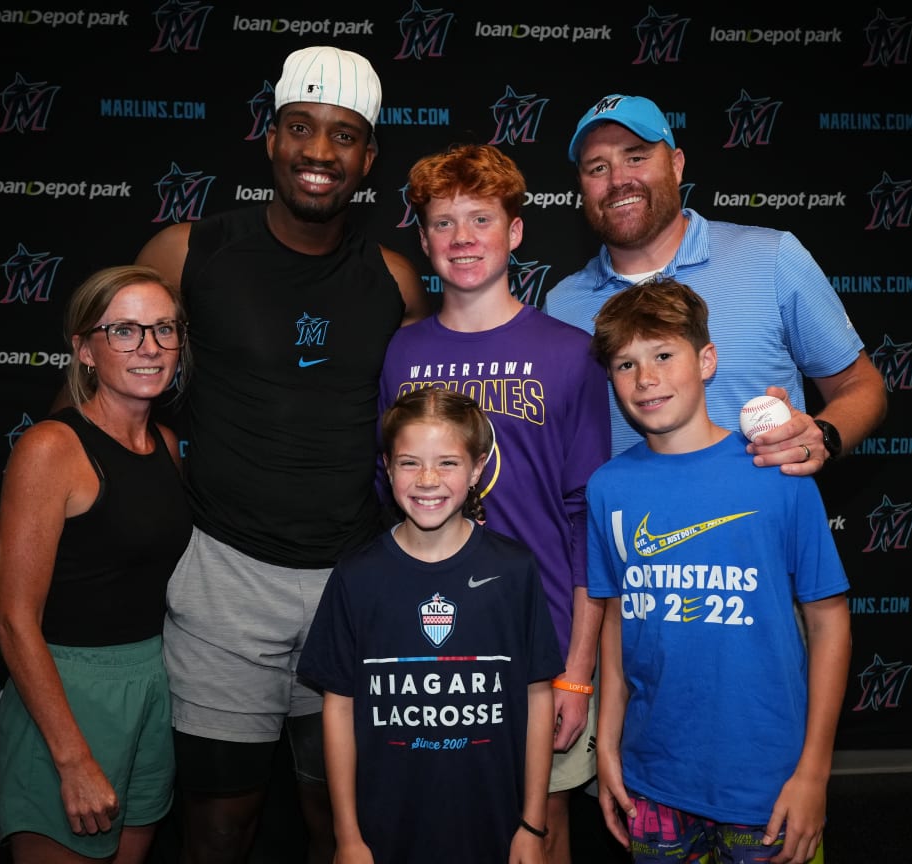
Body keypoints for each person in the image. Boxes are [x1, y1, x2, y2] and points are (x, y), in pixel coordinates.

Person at [131, 45, 430, 864]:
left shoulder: (395, 281)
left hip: (352, 584)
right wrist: (23, 502)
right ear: (271, 138)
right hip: (225, 580)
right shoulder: (189, 252)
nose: (319, 153)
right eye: (301, 128)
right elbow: (101, 393)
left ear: (368, 159)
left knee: (340, 823)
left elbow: (433, 430)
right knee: (221, 827)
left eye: (343, 136)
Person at [378, 143, 610, 864]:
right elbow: (388, 502)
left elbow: (586, 522)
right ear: (422, 241)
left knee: (541, 831)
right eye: (443, 224)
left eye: (482, 219)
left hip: (541, 638)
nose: (463, 238)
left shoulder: (571, 353)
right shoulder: (402, 354)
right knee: (438, 825)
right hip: (429, 640)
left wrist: (578, 670)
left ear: (515, 231)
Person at [584, 278, 852, 864]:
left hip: (768, 781)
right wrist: (607, 747)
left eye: (662, 355)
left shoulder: (776, 472)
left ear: (706, 360)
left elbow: (829, 623)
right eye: (625, 364)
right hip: (652, 776)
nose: (646, 378)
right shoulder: (608, 488)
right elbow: (614, 621)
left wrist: (814, 772)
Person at [544, 93, 886, 473]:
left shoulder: (771, 257)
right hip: (627, 530)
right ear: (581, 186)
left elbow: (860, 383)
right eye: (597, 168)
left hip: (757, 525)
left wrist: (823, 435)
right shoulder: (562, 306)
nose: (619, 180)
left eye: (636, 157)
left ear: (676, 166)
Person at [298, 388, 563, 864]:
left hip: (495, 828)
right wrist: (348, 837)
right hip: (383, 834)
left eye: (447, 463)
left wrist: (531, 823)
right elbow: (338, 708)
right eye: (408, 463)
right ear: (386, 466)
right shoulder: (357, 576)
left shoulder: (514, 571)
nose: (427, 480)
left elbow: (537, 696)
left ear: (478, 469)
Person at [0, 265, 194, 863]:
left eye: (164, 329)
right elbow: (13, 620)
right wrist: (72, 757)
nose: (150, 348)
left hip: (152, 684)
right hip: (68, 695)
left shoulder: (169, 446)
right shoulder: (51, 447)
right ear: (84, 349)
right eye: (125, 331)